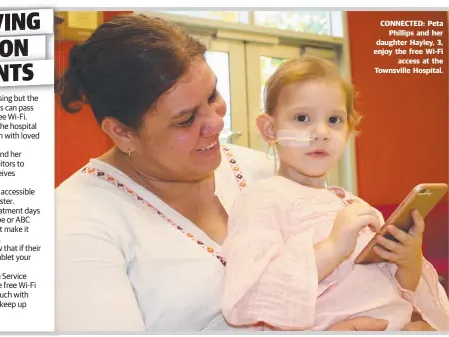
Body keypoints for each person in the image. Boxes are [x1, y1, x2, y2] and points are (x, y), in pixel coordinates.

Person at [54, 13, 435, 331]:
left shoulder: (259, 167)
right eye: (186, 119)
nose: (215, 123)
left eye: (213, 96)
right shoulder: (75, 223)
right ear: (121, 132)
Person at [221, 56, 449, 331]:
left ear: (349, 129)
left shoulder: (355, 206)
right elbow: (254, 292)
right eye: (302, 118)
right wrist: (333, 247)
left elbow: (402, 289)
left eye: (334, 120)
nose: (321, 132)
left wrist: (408, 259)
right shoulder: (261, 200)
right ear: (270, 130)